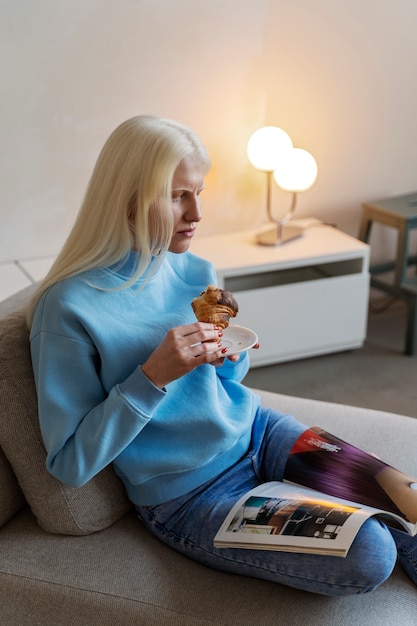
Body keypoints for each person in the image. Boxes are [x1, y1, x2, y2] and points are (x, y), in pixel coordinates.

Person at [26, 114, 416, 595]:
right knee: (372, 552)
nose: (196, 214)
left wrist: (234, 356)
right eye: (176, 196)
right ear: (125, 199)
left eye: (198, 192)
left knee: (409, 497)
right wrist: (151, 377)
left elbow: (227, 387)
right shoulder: (67, 310)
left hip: (258, 431)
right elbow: (69, 464)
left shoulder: (195, 269)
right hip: (193, 495)